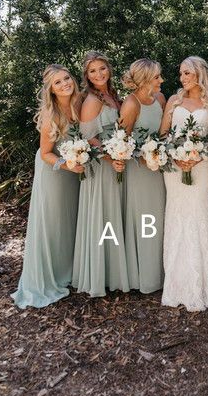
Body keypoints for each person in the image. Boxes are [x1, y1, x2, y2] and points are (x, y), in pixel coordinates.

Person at [159, 56, 208, 311]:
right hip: (173, 169)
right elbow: (163, 134)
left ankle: (202, 284)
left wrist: (199, 154)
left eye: (187, 73)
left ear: (199, 74)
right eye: (180, 74)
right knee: (177, 215)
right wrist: (176, 155)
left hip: (202, 167)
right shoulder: (173, 101)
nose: (182, 78)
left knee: (198, 212)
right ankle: (176, 284)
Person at [12, 65, 82, 308]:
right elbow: (45, 154)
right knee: (52, 222)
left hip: (74, 171)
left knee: (69, 220)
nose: (64, 84)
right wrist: (68, 164)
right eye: (57, 83)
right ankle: (49, 277)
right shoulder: (51, 114)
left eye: (66, 78)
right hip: (55, 171)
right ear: (50, 90)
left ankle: (69, 270)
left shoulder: (79, 103)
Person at [72, 51, 129, 297]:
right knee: (103, 216)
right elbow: (87, 136)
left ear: (109, 69)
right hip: (101, 165)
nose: (99, 74)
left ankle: (113, 271)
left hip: (114, 162)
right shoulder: (92, 100)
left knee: (112, 215)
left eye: (102, 68)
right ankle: (100, 274)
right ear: (87, 75)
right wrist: (110, 154)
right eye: (93, 71)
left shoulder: (112, 96)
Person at [120, 58, 166, 293]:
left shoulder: (160, 98)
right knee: (146, 219)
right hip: (139, 171)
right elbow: (122, 142)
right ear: (147, 79)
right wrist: (143, 155)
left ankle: (161, 272)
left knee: (160, 216)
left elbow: (166, 132)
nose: (161, 80)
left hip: (160, 169)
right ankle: (145, 278)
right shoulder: (131, 104)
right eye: (157, 77)